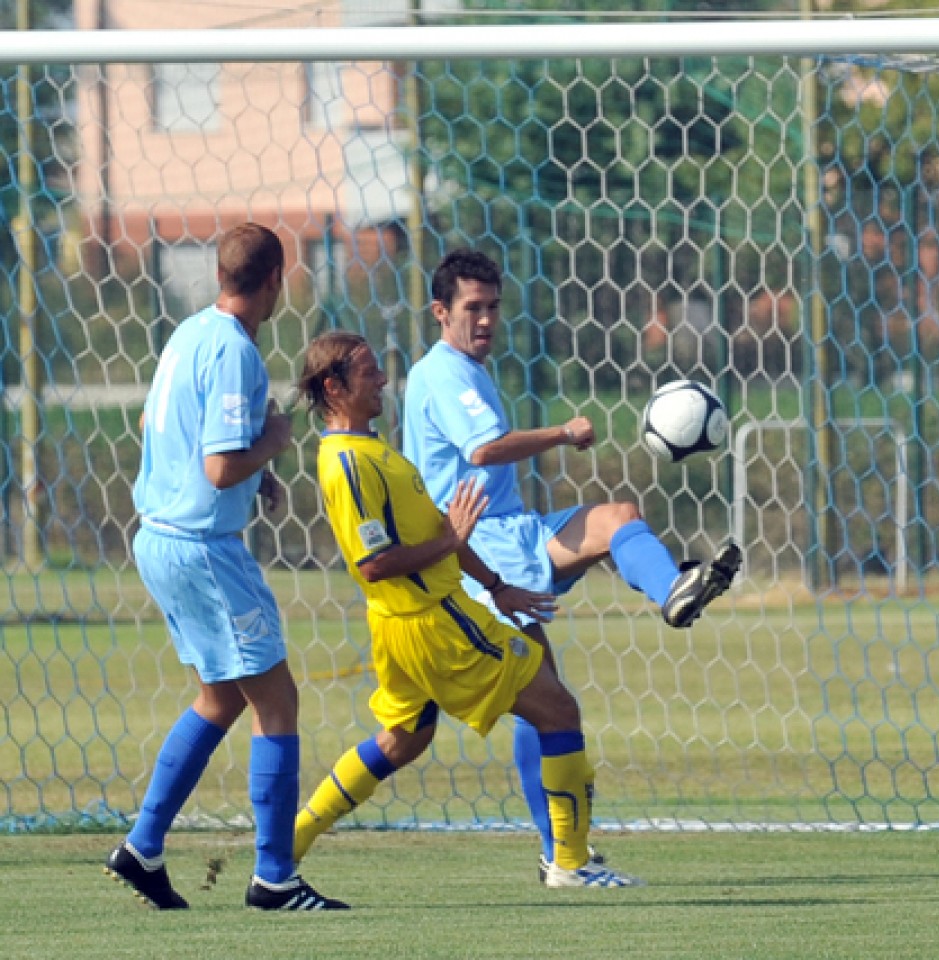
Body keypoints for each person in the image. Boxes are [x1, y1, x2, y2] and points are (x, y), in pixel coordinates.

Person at [399, 249, 741, 882]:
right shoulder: (444, 373)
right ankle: (564, 857)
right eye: (472, 308)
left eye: (493, 308)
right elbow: (482, 448)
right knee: (536, 706)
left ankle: (672, 590)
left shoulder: (463, 369)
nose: (485, 321)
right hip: (482, 545)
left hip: (507, 534)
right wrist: (562, 433)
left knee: (615, 522)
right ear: (440, 311)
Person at [290, 330, 641, 889]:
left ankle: (293, 840)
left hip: (406, 624)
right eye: (369, 371)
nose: (382, 380)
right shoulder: (348, 465)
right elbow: (375, 564)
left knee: (402, 739)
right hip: (430, 621)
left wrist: (496, 583)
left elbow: (439, 529)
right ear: (333, 386)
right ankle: (570, 865)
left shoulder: (375, 449)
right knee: (557, 711)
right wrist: (453, 543)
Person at [105, 223, 347, 911]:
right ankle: (276, 878)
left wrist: (254, 479)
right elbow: (217, 467)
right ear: (273, 278)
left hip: (159, 536)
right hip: (203, 547)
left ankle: (142, 848)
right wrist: (271, 445)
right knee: (278, 702)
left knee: (221, 696)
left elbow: (187, 442)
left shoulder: (190, 333)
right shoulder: (237, 352)